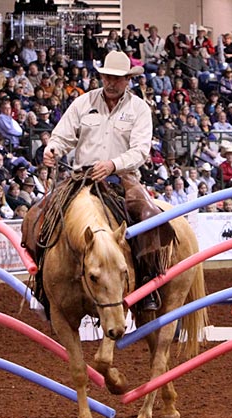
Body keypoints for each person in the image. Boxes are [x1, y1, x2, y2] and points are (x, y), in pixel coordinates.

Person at [43, 50, 171, 312]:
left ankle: (148, 282)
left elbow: (140, 150)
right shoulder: (83, 103)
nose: (111, 82)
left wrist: (114, 164)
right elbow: (63, 135)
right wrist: (52, 148)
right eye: (107, 77)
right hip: (82, 178)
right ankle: (43, 285)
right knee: (41, 215)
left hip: (122, 178)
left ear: (127, 80)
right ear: (101, 76)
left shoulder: (139, 109)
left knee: (148, 215)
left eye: (117, 78)